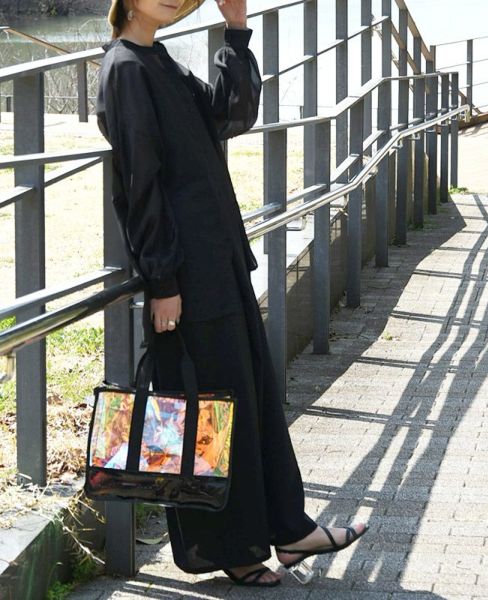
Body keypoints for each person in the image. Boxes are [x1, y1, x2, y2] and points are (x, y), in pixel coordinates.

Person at [96, 0, 368, 588]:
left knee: (247, 401)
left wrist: (237, 29)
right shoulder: (124, 69)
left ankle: (286, 529)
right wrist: (163, 282)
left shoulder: (158, 60)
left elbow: (231, 113)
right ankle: (237, 549)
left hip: (217, 262)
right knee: (208, 411)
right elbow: (141, 185)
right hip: (188, 275)